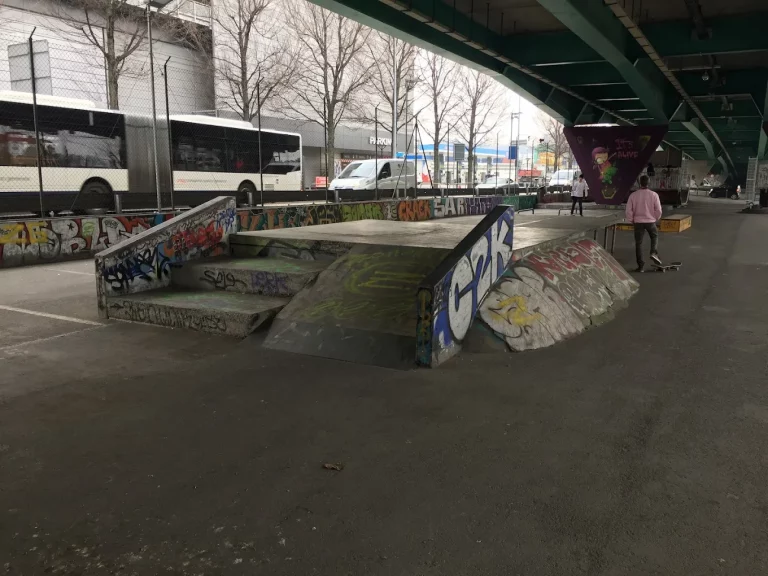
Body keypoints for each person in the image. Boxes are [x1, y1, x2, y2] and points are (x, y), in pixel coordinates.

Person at [626, 174, 663, 272]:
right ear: (649, 183)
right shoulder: (654, 195)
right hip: (650, 221)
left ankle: (641, 266)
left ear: (639, 183)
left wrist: (632, 220)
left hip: (638, 222)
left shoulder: (633, 195)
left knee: (639, 243)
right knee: (654, 236)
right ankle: (653, 252)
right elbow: (658, 210)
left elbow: (628, 210)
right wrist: (654, 218)